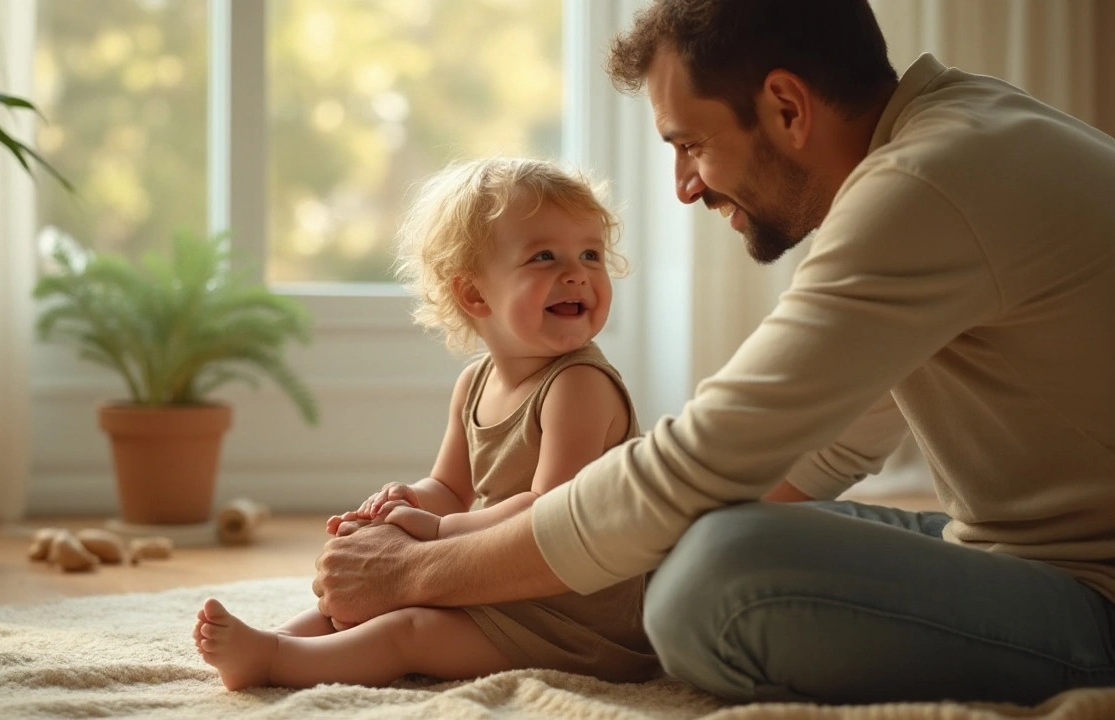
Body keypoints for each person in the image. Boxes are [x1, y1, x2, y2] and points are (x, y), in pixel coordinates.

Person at [312, 0, 1115, 706]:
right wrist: (625, 531)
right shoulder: (964, 137)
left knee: (709, 584)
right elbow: (826, 444)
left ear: (786, 107)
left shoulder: (927, 185)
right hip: (1020, 551)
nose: (683, 186)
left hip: (1094, 599)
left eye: (689, 144)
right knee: (703, 529)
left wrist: (410, 574)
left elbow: (702, 458)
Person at [193, 157, 661, 690]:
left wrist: (436, 533)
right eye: (545, 256)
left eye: (590, 254)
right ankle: (277, 640)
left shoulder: (579, 386)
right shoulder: (474, 384)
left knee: (408, 629)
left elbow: (550, 512)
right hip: (501, 580)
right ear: (474, 294)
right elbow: (449, 487)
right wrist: (405, 505)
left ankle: (278, 664)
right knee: (363, 601)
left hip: (577, 620)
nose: (576, 272)